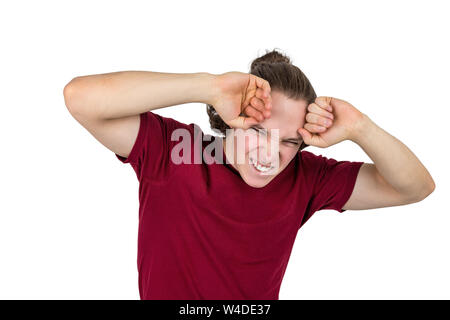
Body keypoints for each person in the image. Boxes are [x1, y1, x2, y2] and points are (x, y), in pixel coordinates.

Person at [63, 49, 435, 300]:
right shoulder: (177, 150)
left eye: (289, 142)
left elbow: (415, 187)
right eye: (259, 131)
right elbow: (80, 97)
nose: (270, 154)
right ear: (232, 118)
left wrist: (359, 128)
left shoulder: (306, 178)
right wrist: (208, 87)